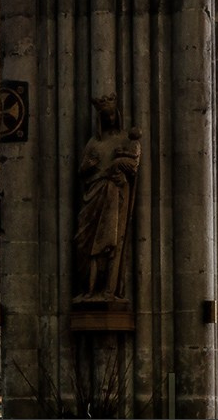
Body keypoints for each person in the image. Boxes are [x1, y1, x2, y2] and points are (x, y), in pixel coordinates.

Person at [74, 94, 141, 302]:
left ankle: (108, 290)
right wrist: (88, 166)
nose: (110, 119)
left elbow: (132, 167)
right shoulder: (94, 142)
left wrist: (120, 165)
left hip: (114, 196)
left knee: (110, 245)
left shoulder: (124, 141)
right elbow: (81, 169)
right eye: (106, 116)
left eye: (112, 114)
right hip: (93, 195)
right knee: (85, 243)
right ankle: (89, 290)